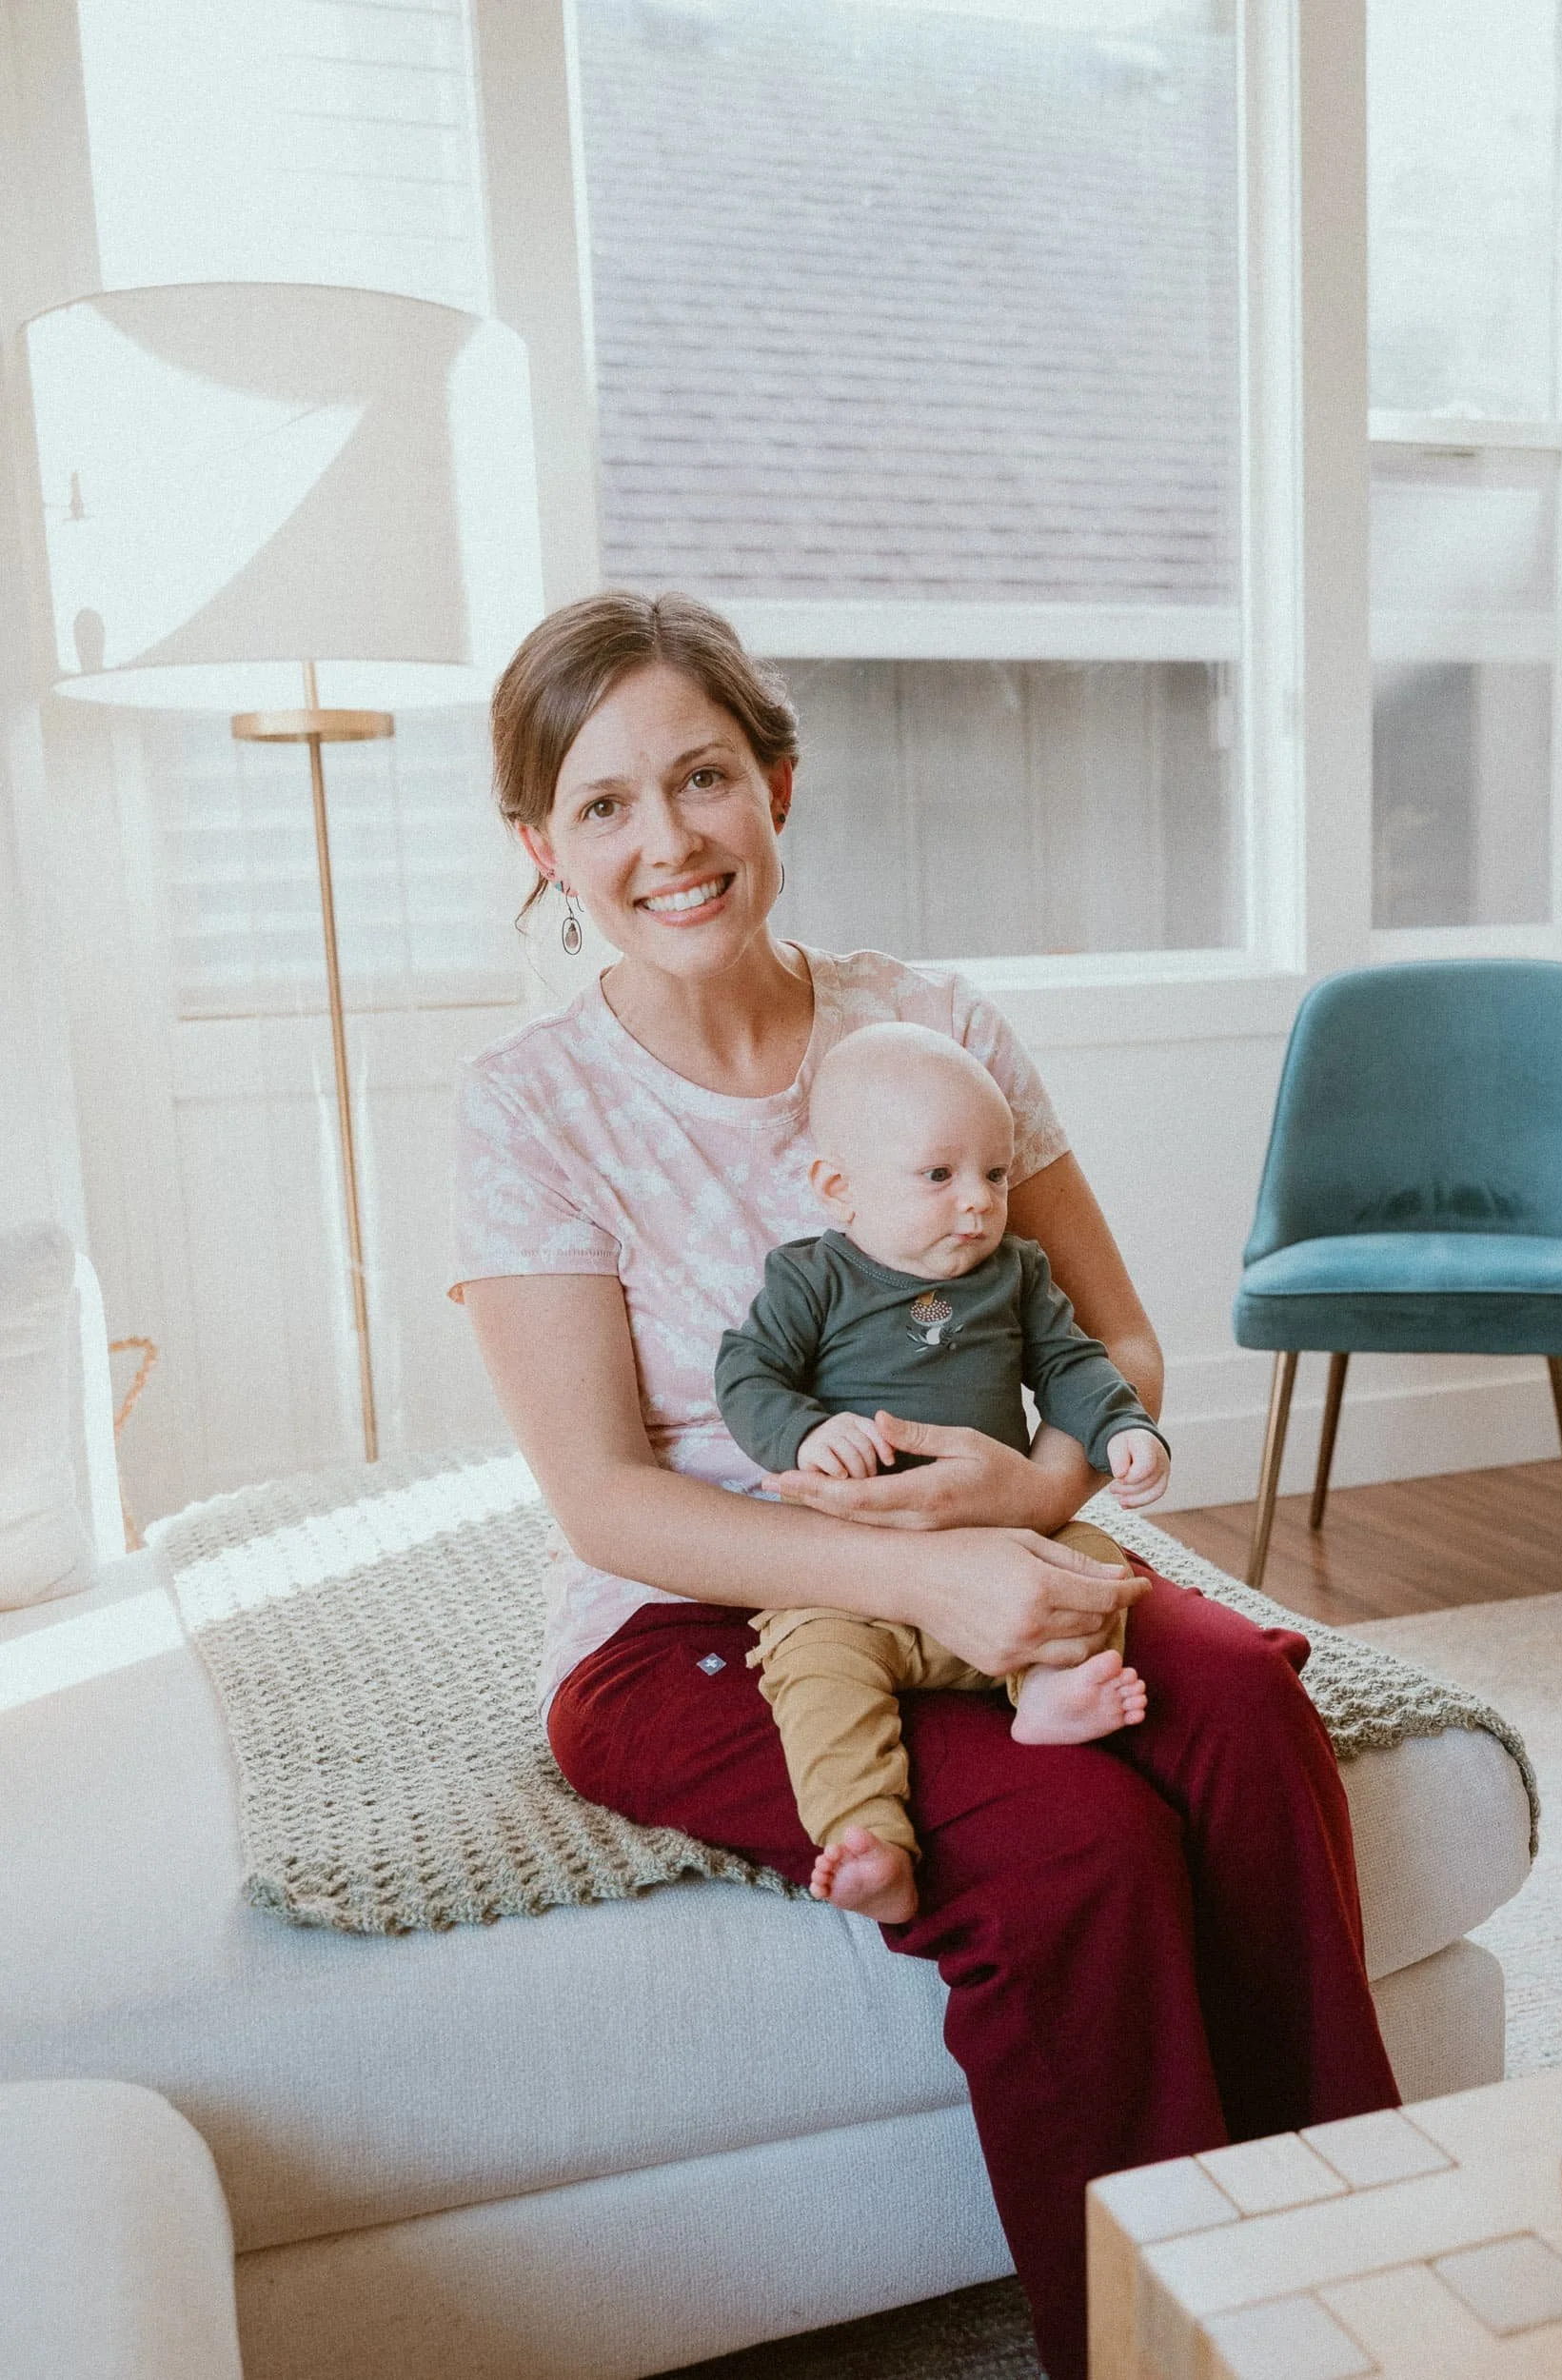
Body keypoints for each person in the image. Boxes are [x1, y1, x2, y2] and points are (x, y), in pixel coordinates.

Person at [450, 589, 1399, 2380]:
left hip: (993, 1547)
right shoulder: (530, 1108)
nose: (668, 841)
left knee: (1251, 1716)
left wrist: (1029, 1501)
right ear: (540, 847)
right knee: (1079, 1848)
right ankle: (1163, 2352)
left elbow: (1117, 1338)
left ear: (779, 787)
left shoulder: (932, 1022)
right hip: (689, 1627)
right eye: (603, 805)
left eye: (704, 777)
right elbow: (603, 1501)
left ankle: (1347, 2276)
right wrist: (931, 1586)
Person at [714, 1021, 1168, 1922]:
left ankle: (1045, 1691)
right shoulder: (813, 1280)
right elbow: (745, 1375)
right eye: (938, 1176)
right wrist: (805, 1434)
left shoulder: (1016, 1274)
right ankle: (869, 1840)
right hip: (856, 1576)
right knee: (809, 1664)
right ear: (838, 1188)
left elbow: (1075, 1364)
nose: (978, 1203)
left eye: (994, 1175)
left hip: (1006, 1551)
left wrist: (1122, 1426)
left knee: (1095, 1562)